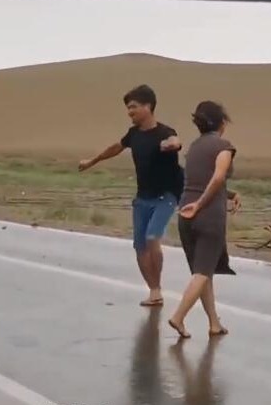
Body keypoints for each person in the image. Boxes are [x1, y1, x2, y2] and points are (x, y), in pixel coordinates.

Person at [79, 85, 183, 307]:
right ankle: (154, 291)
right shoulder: (133, 134)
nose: (130, 112)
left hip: (166, 196)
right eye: (128, 108)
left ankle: (157, 286)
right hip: (142, 198)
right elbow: (116, 148)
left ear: (148, 106)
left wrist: (171, 145)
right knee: (139, 247)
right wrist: (92, 161)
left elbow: (175, 141)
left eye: (133, 107)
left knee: (152, 237)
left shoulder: (165, 132)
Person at [168, 101, 241, 339]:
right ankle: (178, 316)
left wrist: (230, 194)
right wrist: (201, 205)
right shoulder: (224, 146)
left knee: (203, 272)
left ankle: (214, 323)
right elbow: (218, 177)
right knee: (202, 273)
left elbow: (200, 181)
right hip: (208, 215)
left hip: (185, 214)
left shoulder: (194, 148)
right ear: (222, 123)